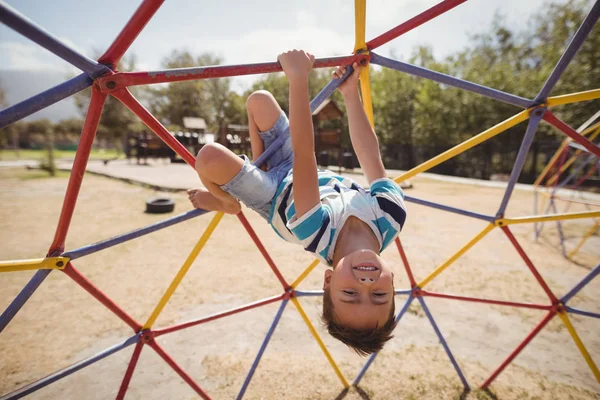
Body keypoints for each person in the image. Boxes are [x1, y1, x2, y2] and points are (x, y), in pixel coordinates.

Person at [188, 50, 407, 355]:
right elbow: (370, 155)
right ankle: (256, 165)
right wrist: (350, 93)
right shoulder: (390, 215)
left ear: (328, 280)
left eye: (350, 293)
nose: (366, 283)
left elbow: (307, 152)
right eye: (379, 295)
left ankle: (229, 203)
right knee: (259, 100)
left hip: (272, 194)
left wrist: (298, 77)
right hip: (296, 166)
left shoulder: (314, 232)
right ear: (393, 281)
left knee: (209, 157)